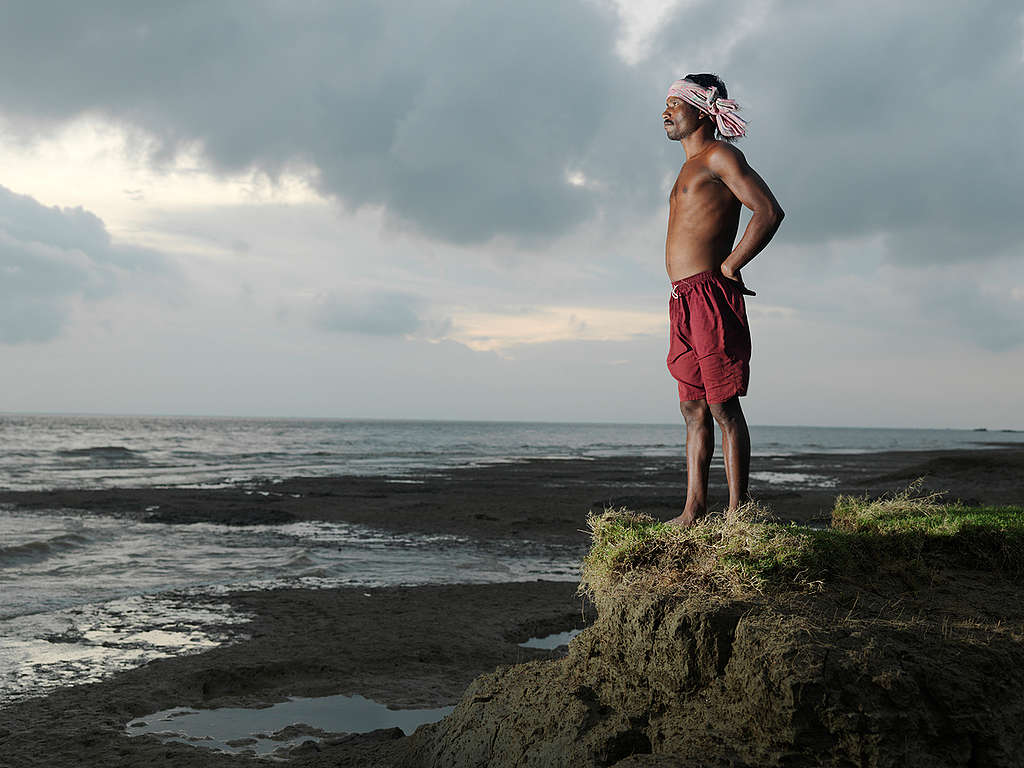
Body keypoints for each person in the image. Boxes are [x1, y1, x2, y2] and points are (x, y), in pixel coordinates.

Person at [662, 73, 784, 526]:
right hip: (681, 298)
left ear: (700, 109)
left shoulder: (720, 156)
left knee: (721, 404)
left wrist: (731, 265)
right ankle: (693, 510)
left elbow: (768, 211)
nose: (665, 111)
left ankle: (738, 511)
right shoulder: (687, 166)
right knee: (692, 406)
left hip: (711, 294)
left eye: (675, 102)